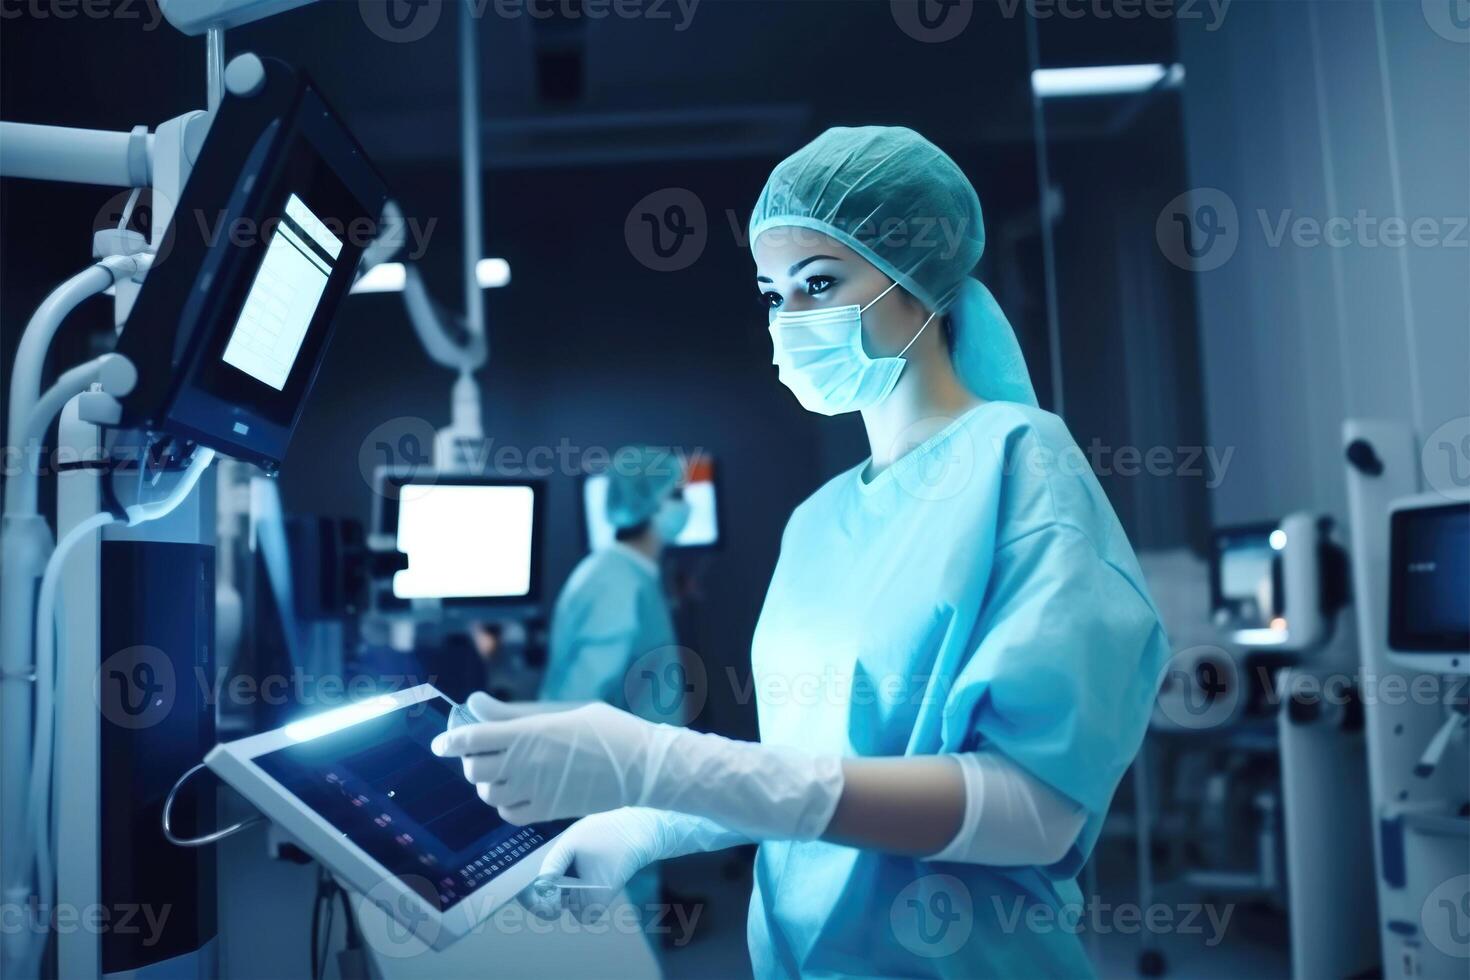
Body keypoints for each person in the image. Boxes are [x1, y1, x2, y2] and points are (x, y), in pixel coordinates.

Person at [436, 127, 1169, 977]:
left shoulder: (1021, 463)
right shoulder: (818, 521)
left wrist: (665, 763)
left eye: (820, 283)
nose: (791, 321)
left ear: (916, 283)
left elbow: (1035, 811)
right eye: (773, 295)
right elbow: (817, 769)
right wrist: (651, 820)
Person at [540, 445, 690, 721]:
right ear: (652, 503)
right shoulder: (615, 584)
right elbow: (580, 705)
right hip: (617, 761)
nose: (686, 505)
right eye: (677, 494)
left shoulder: (632, 574)